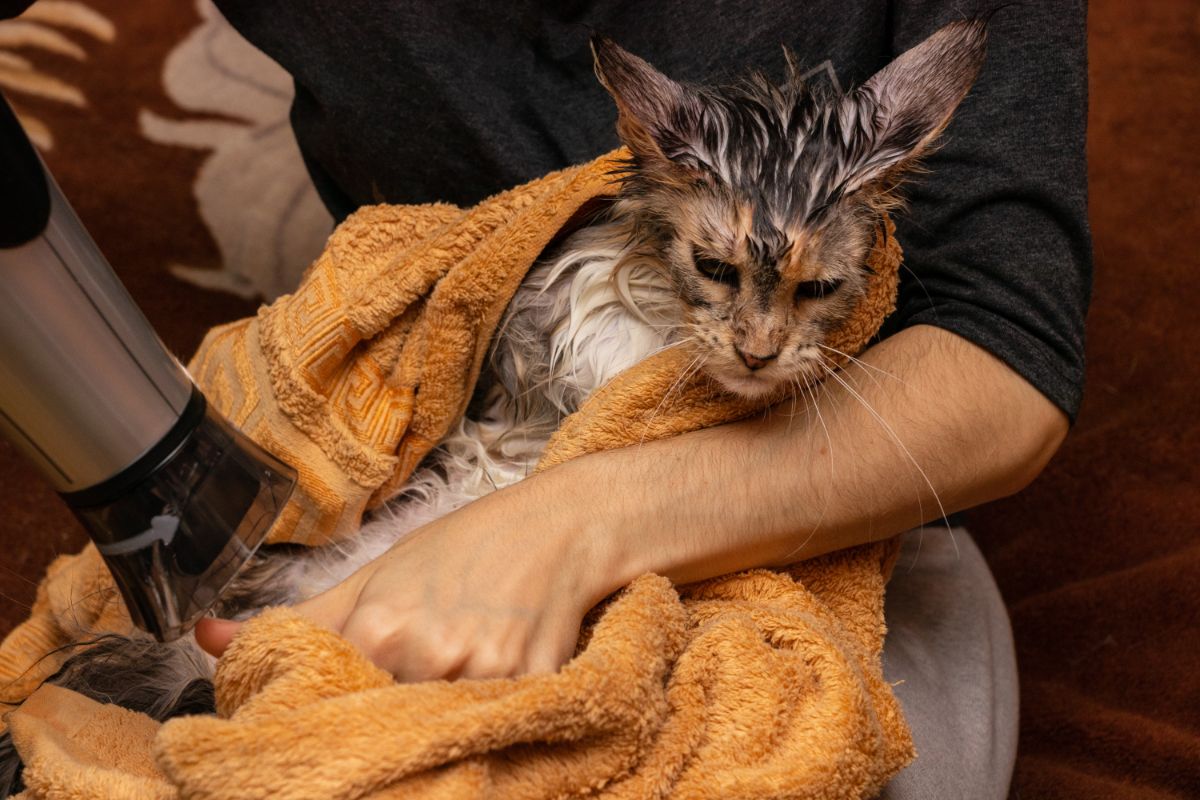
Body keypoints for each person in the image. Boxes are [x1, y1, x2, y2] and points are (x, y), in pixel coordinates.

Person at [192, 2, 1091, 797]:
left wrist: (563, 530)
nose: (759, 341)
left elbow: (1009, 348)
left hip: (852, 508)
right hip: (450, 454)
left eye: (814, 292)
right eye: (716, 271)